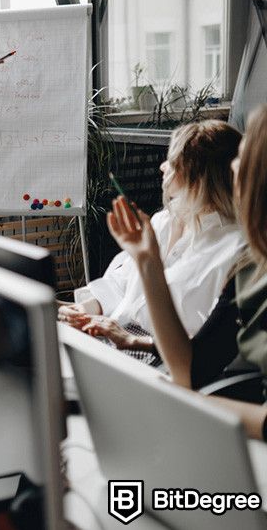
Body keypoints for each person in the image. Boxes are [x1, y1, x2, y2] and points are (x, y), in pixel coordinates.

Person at [106, 105, 267, 441]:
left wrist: (179, 402)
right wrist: (147, 259)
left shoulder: (241, 255)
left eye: (249, 155)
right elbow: (192, 367)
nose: (235, 165)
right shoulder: (251, 268)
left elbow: (191, 378)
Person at [59, 120, 245, 352]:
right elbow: (122, 283)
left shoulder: (237, 249)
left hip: (163, 360)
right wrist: (86, 309)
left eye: (173, 162)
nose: (163, 167)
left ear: (196, 179)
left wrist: (131, 341)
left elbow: (209, 348)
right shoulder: (162, 221)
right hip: (116, 342)